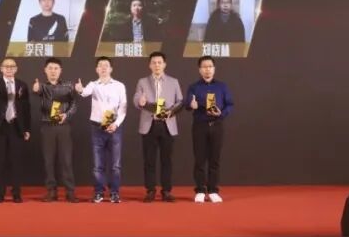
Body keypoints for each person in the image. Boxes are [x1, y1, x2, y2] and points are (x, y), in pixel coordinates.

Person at [75, 57, 127, 204]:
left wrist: (116, 124)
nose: (103, 68)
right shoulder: (93, 84)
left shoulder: (119, 86)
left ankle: (114, 193)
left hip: (114, 127)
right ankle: (98, 192)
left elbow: (123, 107)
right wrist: (80, 89)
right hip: (97, 127)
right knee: (98, 165)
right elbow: (85, 92)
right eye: (100, 65)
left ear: (111, 69)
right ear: (96, 69)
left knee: (115, 165)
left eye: (106, 65)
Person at [134, 52, 184, 202]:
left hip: (167, 125)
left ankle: (166, 191)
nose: (157, 65)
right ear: (149, 65)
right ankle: (150, 190)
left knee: (166, 160)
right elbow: (136, 98)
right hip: (149, 125)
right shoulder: (142, 81)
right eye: (154, 62)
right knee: (149, 160)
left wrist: (171, 112)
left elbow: (180, 101)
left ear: (164, 64)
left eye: (159, 62)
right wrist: (140, 101)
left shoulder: (173, 82)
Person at [185, 56, 234, 203]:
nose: (207, 69)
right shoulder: (193, 87)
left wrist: (221, 113)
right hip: (200, 125)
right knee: (199, 159)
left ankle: (213, 190)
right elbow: (187, 104)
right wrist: (191, 105)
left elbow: (230, 104)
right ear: (199, 70)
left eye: (210, 66)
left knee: (214, 159)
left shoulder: (222, 86)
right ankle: (200, 190)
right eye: (204, 67)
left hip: (217, 125)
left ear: (214, 68)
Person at [0, 58, 31, 203]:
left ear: (16, 69)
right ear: (1, 68)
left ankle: (16, 193)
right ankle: (0, 193)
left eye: (12, 66)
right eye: (6, 66)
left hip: (16, 126)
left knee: (16, 161)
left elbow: (26, 108)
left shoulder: (22, 85)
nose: (9, 68)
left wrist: (27, 129)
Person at [32, 58, 79, 203]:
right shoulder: (42, 87)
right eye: (50, 68)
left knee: (66, 160)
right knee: (48, 160)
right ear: (45, 70)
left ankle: (70, 192)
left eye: (56, 68)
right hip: (47, 126)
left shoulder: (69, 86)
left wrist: (67, 115)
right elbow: (36, 91)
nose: (53, 71)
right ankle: (51, 191)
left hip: (64, 126)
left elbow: (74, 104)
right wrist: (36, 89)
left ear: (60, 71)